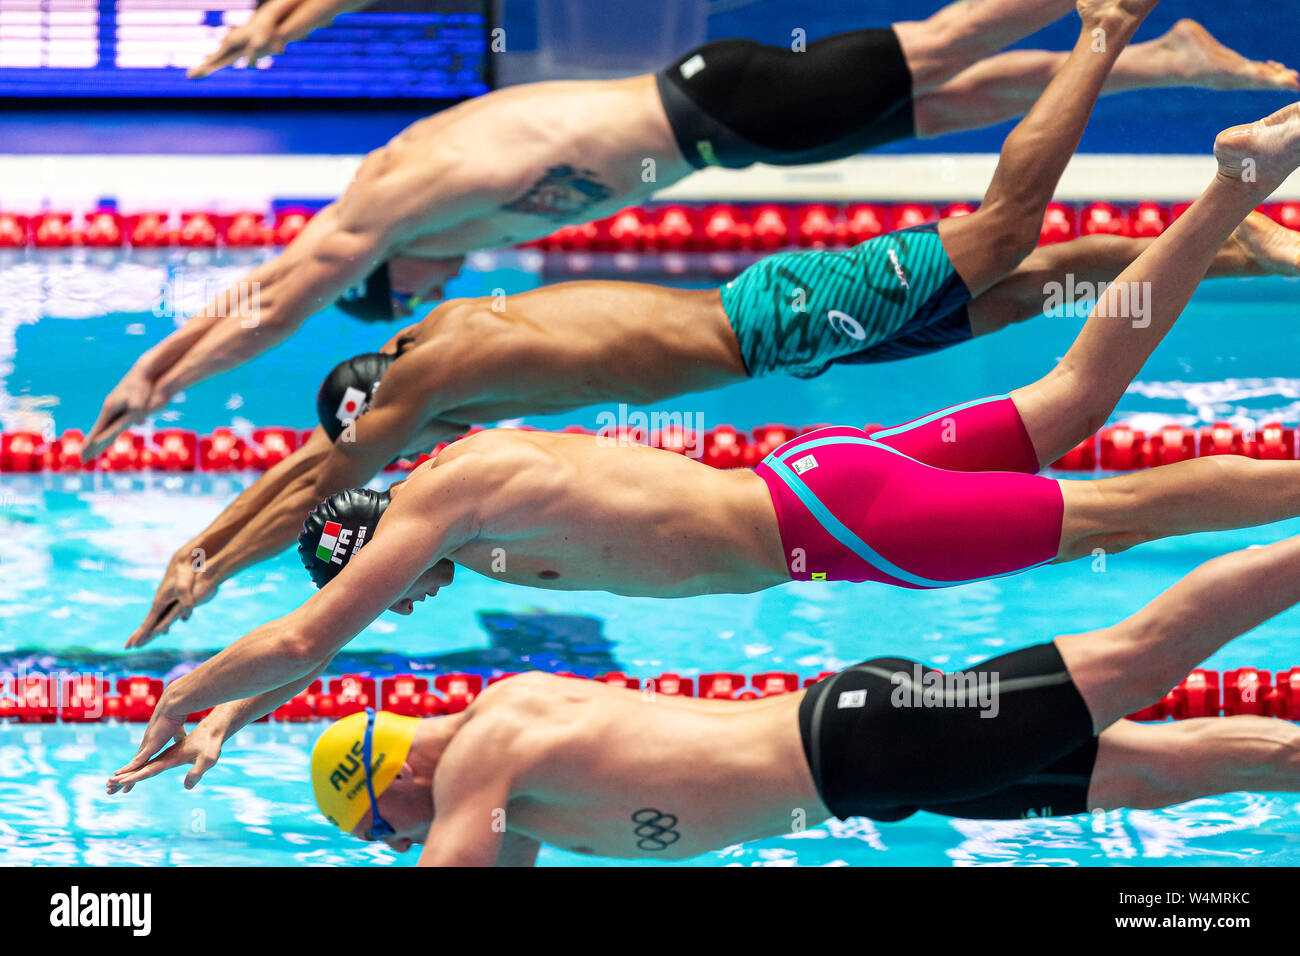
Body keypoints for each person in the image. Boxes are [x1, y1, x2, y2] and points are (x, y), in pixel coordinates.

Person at [107, 96, 1300, 777]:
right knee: (1076, 396)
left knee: (1128, 506)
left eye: (390, 589)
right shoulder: (471, 481)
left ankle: (1142, 95)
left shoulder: (447, 493)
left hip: (840, 525)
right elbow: (322, 521)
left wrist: (189, 694)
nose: (403, 609)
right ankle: (1232, 189)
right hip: (818, 478)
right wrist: (226, 639)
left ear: (378, 542)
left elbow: (317, 622)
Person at [127, 0, 1291, 645]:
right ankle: (1243, 239)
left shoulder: (430, 375)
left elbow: (310, 476)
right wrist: (214, 552)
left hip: (768, 323)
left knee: (999, 231)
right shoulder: (455, 382)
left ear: (374, 388)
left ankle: (1102, 30)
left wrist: (216, 559)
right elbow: (312, 474)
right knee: (1029, 286)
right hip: (783, 339)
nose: (370, 447)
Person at [82, 0, 1295, 460]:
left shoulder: (393, 205)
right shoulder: (434, 198)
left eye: (404, 295)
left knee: (947, 69)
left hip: (714, 107)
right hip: (725, 116)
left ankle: (1117, 37)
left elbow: (279, 292)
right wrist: (284, 19)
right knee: (938, 90)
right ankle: (1141, 59)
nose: (427, 294)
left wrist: (160, 370)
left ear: (388, 271)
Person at [111, 533, 1300, 865]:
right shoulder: (511, 795)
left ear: (397, 777)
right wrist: (243, 711)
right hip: (880, 773)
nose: (397, 843)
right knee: (1161, 766)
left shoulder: (494, 745)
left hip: (874, 735)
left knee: (1148, 646)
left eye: (382, 829)